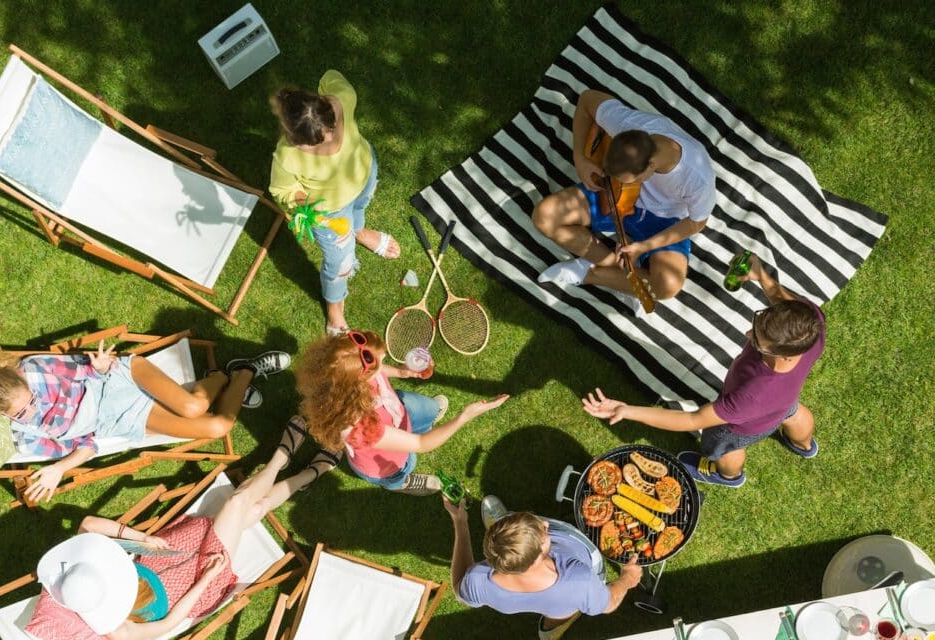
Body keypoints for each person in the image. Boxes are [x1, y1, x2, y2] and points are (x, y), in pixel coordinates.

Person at [39, 419, 337, 640]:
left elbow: (88, 525)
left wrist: (140, 538)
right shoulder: (115, 629)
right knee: (237, 502)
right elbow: (170, 623)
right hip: (197, 582)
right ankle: (282, 458)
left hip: (165, 551)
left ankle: (307, 474)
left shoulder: (86, 574)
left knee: (252, 510)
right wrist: (207, 577)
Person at [581, 254, 824, 487]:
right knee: (793, 412)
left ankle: (729, 476)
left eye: (758, 341)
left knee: (724, 449)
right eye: (756, 324)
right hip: (784, 402)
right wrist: (762, 277)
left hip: (742, 428)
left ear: (784, 354)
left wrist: (627, 410)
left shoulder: (750, 396)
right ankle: (803, 445)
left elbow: (692, 419)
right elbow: (785, 303)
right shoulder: (811, 324)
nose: (748, 335)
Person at [0, 341, 290, 503]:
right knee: (216, 425)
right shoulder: (26, 434)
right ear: (6, 415)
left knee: (194, 407)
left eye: (31, 400)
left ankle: (233, 376)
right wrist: (58, 468)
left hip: (118, 380)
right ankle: (233, 376)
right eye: (21, 412)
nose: (32, 410)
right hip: (119, 419)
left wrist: (101, 366)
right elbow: (87, 444)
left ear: (22, 380)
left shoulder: (37, 370)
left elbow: (88, 369)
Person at [532, 89, 716, 309]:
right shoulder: (630, 125)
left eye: (630, 179)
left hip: (664, 220)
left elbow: (697, 222)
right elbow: (587, 99)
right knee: (544, 217)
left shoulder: (697, 177)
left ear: (650, 167)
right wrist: (580, 158)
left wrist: (645, 245)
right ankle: (622, 274)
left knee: (667, 286)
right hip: (613, 193)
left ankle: (589, 274)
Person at [295, 329, 508, 495]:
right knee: (405, 466)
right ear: (358, 385)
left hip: (398, 411)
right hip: (385, 461)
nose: (383, 366)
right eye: (381, 364)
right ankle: (402, 483)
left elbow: (376, 370)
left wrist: (400, 372)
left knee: (425, 409)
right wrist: (465, 416)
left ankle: (425, 421)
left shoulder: (341, 371)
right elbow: (421, 444)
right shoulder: (361, 428)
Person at [269, 71, 400, 336]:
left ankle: (359, 232)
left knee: (360, 208)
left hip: (363, 175)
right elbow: (281, 189)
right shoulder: (286, 156)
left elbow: (330, 75)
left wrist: (324, 98)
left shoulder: (342, 98)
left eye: (330, 132)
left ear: (327, 108)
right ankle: (335, 309)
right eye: (314, 146)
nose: (327, 146)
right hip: (330, 212)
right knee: (340, 263)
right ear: (292, 139)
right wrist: (310, 206)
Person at [444, 495, 643, 640]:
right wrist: (627, 579)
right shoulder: (578, 580)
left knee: (556, 604)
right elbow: (609, 603)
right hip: (569, 593)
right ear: (538, 556)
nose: (546, 524)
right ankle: (556, 625)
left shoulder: (478, 582)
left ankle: (505, 531)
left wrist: (460, 523)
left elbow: (459, 587)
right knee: (565, 607)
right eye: (545, 533)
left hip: (544, 595)